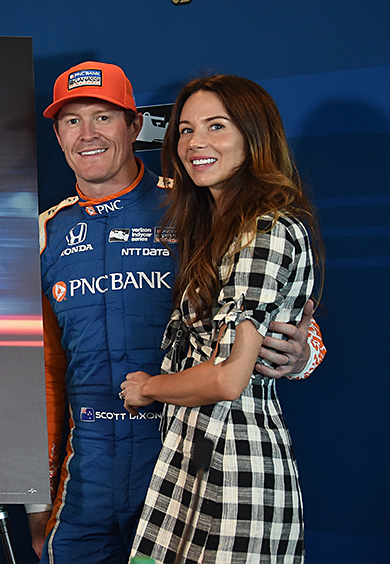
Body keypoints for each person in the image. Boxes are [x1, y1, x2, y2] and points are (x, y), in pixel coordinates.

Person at [29, 62, 323, 564]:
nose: (88, 134)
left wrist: (303, 355)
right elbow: (47, 375)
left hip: (179, 454)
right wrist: (37, 493)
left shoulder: (197, 206)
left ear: (135, 125)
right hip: (88, 466)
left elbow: (286, 313)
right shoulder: (45, 232)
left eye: (103, 116)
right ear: (57, 134)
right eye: (72, 121)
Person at [122, 75, 322, 562]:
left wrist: (147, 388)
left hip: (235, 465)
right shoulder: (214, 226)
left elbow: (229, 378)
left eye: (217, 126)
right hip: (190, 452)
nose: (197, 143)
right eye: (186, 130)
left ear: (254, 136)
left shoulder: (267, 228)